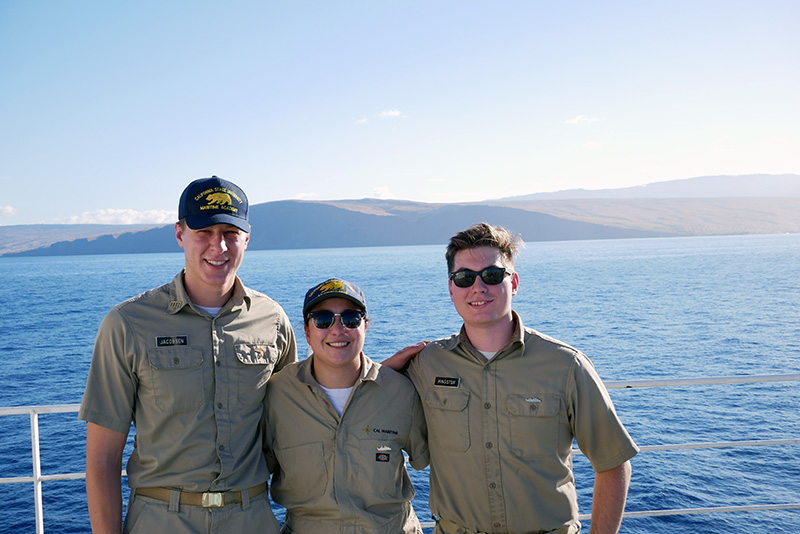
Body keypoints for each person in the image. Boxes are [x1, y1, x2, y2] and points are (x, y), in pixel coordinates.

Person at [384, 222, 638, 534]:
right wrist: (383, 370)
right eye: (464, 278)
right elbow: (357, 398)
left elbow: (613, 462)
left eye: (491, 275)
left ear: (513, 282)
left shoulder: (566, 365)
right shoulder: (426, 365)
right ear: (451, 289)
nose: (478, 288)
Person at [79, 176, 297, 534]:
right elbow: (102, 459)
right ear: (180, 234)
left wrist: (380, 376)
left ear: (247, 237)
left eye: (230, 232)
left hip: (252, 517)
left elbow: (298, 416)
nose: (219, 246)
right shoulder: (128, 323)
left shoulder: (272, 320)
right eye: (204, 232)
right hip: (161, 519)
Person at [264, 278, 429, 533]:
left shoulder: (400, 392)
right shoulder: (278, 394)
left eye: (351, 319)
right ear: (307, 332)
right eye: (322, 319)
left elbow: (434, 459)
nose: (337, 329)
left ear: (366, 326)